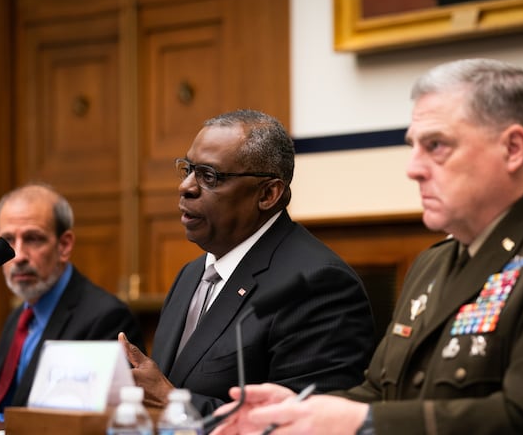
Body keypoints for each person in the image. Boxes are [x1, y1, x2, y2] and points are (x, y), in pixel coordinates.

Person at [210, 59, 523, 434]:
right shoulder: (434, 263)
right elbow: (381, 393)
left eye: (436, 146)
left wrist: (360, 421)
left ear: (512, 149)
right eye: (414, 146)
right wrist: (303, 410)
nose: (413, 168)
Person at [118, 109, 375, 417]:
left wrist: (175, 404)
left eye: (209, 175)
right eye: (188, 169)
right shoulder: (191, 275)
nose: (186, 186)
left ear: (268, 193)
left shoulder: (318, 284)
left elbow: (308, 423)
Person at [0, 183, 144, 423]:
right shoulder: (17, 319)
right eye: (7, 240)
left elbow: (96, 422)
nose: (17, 256)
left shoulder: (106, 318)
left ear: (64, 245)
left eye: (33, 239)